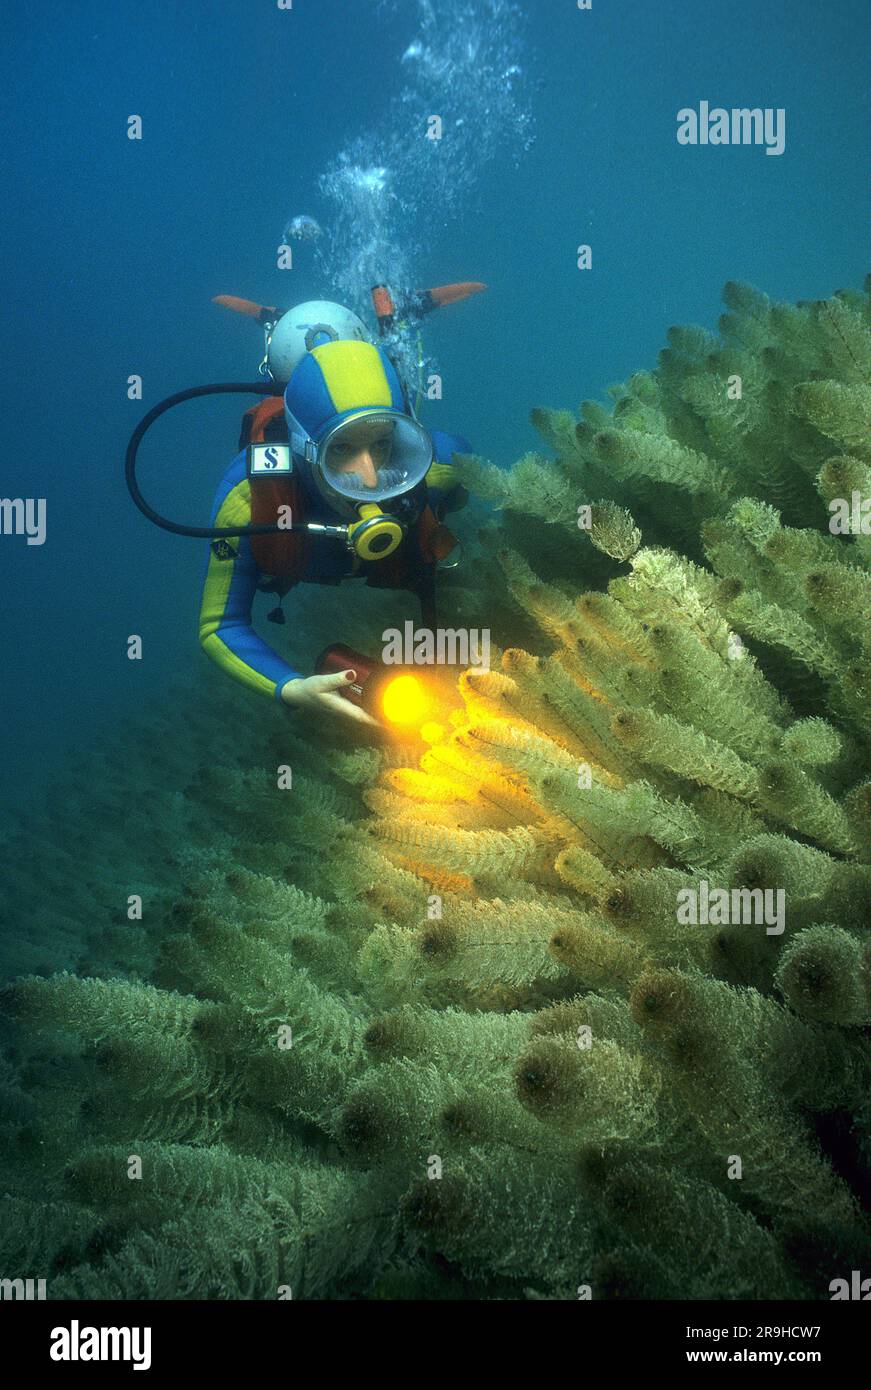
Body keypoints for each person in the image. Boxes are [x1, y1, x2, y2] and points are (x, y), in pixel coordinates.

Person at [197, 302, 470, 729]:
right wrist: (291, 687)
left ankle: (392, 322)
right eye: (341, 449)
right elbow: (219, 625)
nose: (370, 476)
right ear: (306, 449)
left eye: (382, 444)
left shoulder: (438, 462)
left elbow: (486, 476)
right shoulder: (247, 495)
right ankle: (275, 329)